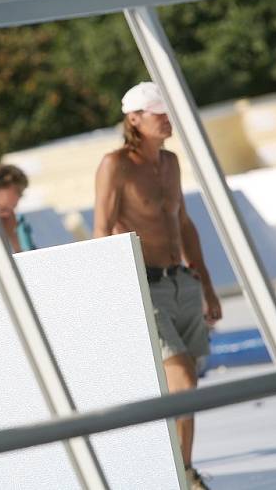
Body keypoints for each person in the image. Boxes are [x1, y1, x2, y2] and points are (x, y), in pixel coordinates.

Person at [93, 82, 221, 490]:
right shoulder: (115, 164)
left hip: (181, 283)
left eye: (169, 113)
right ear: (134, 119)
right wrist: (110, 293)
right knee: (181, 379)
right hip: (142, 285)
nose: (168, 119)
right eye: (158, 113)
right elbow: (102, 230)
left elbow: (183, 223)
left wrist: (208, 285)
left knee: (187, 385)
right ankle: (179, 474)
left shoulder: (170, 162)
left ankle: (182, 469)